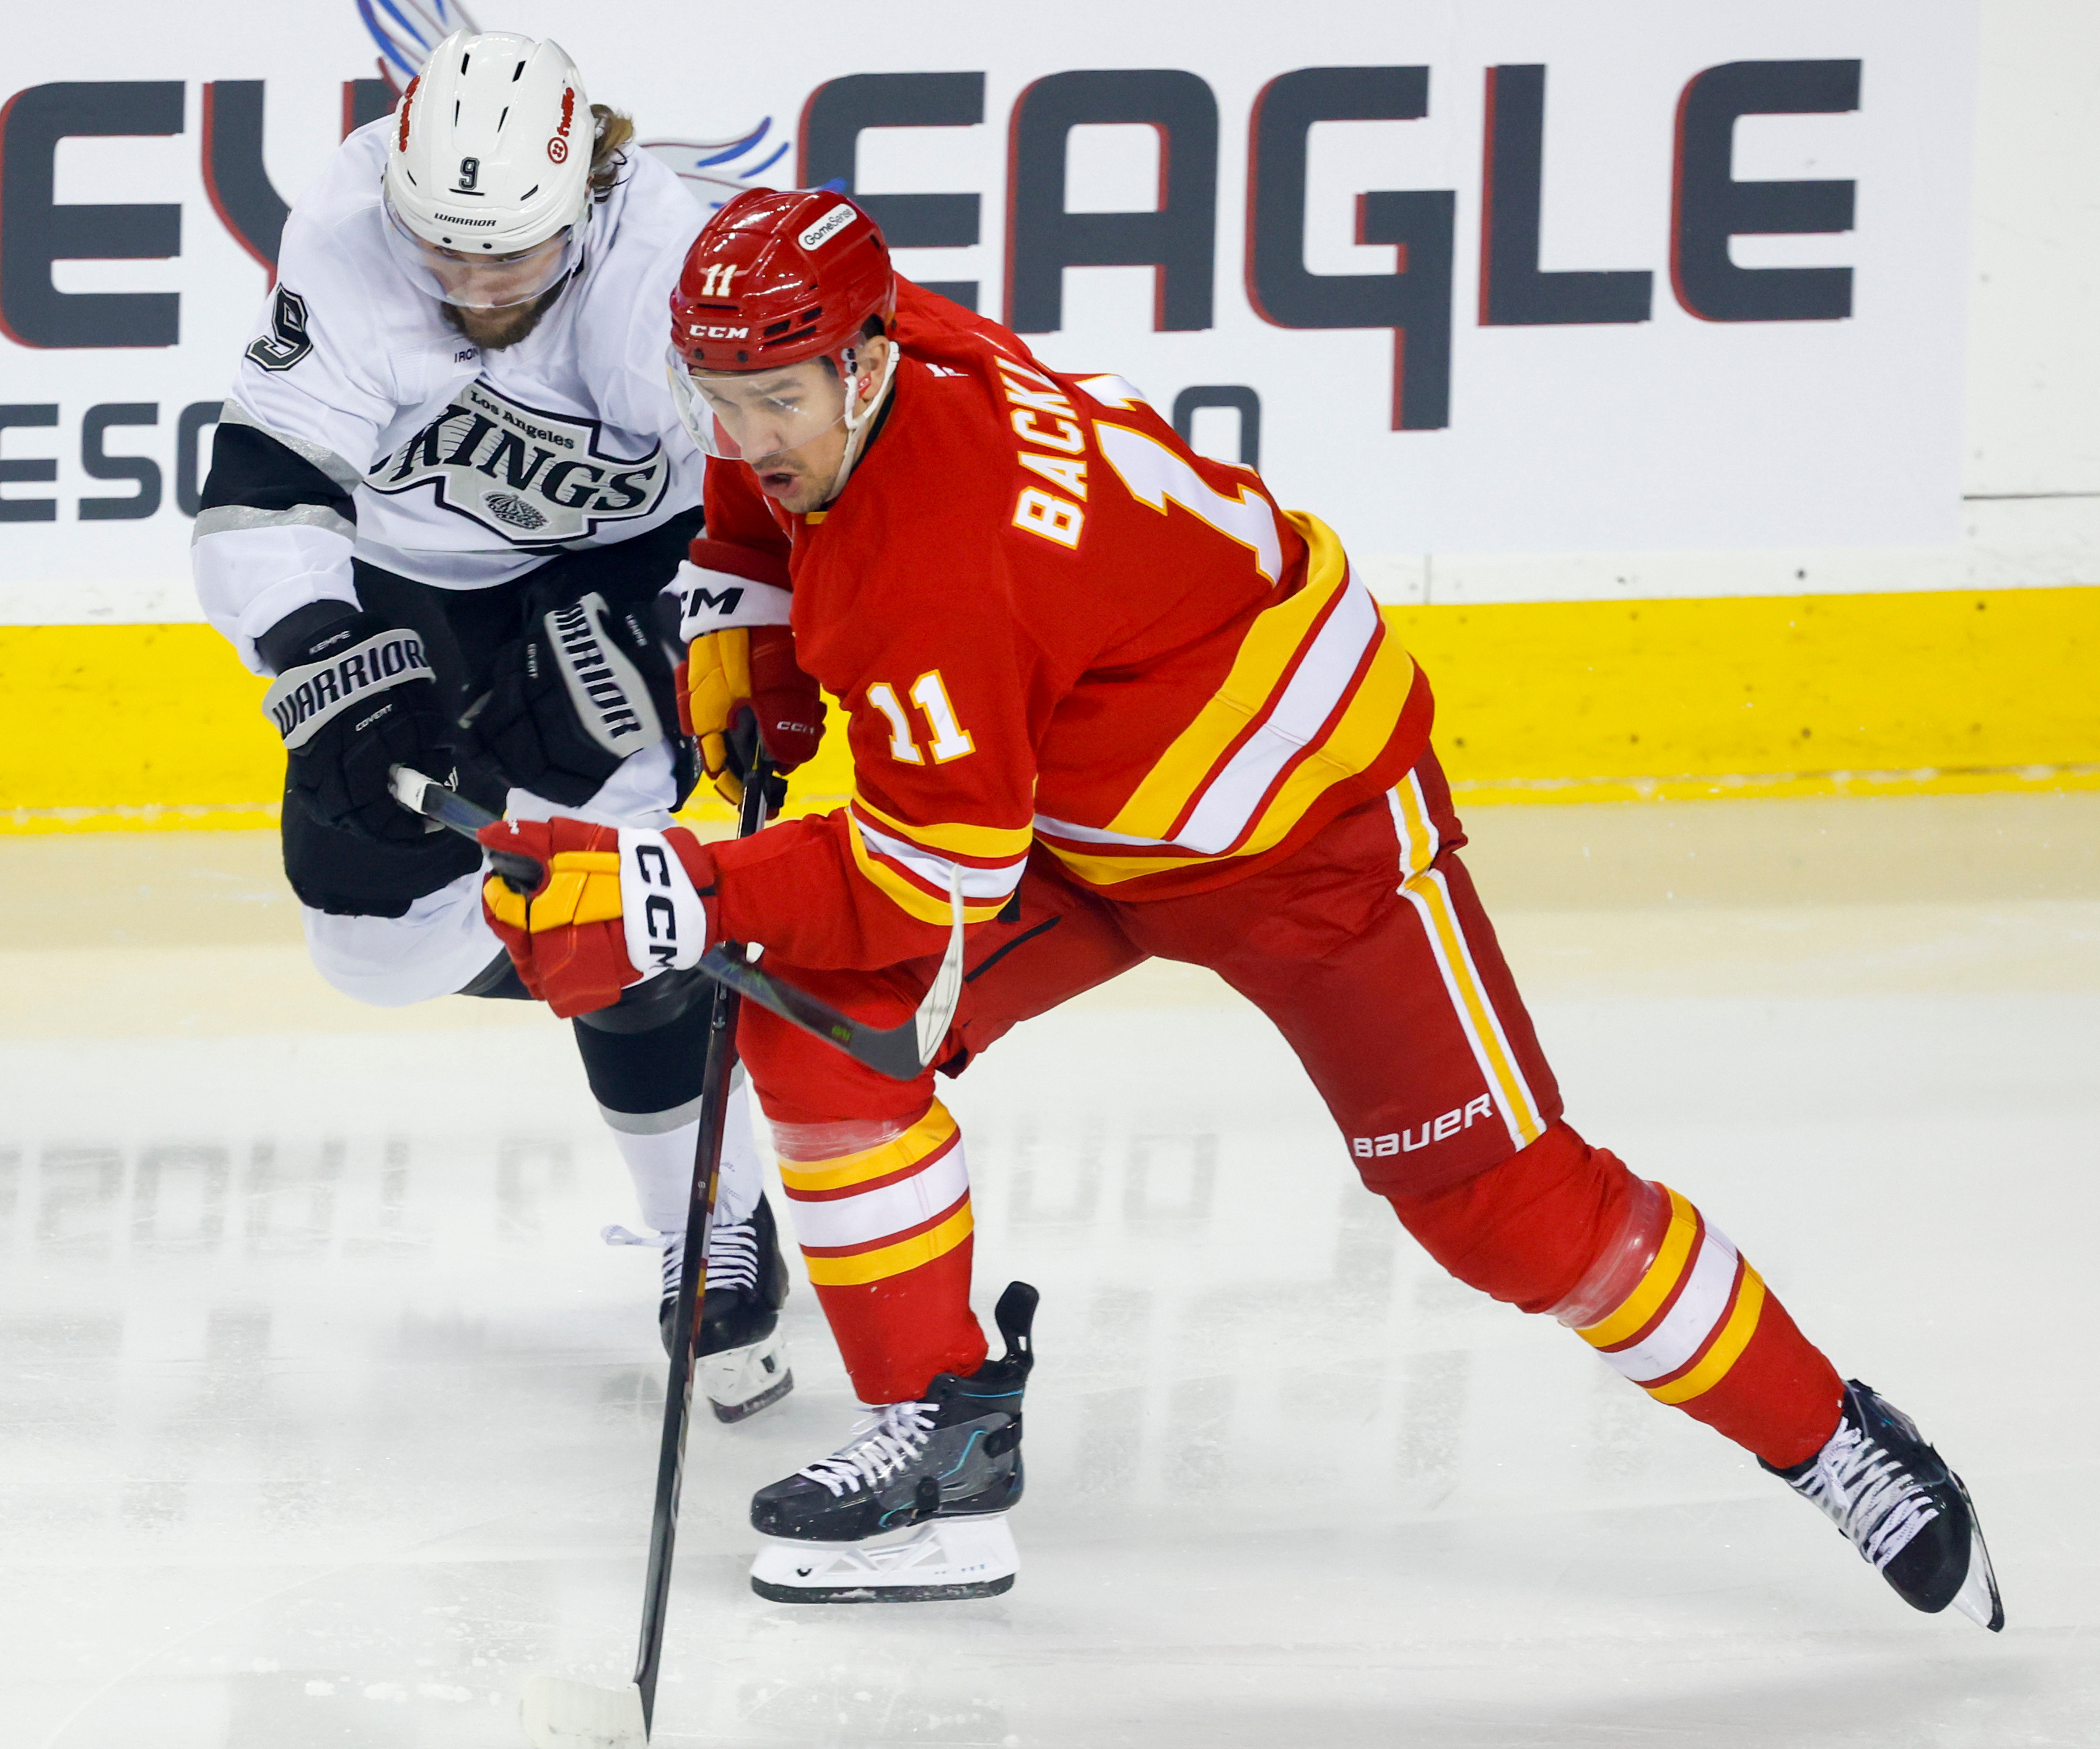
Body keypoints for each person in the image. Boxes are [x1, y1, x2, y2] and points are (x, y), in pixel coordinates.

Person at [469, 185, 2007, 1623]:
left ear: (864, 365)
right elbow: (770, 499)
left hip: (1300, 838)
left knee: (1505, 1212)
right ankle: (943, 1460)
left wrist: (680, 887)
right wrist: (743, 615)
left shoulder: (946, 566)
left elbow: (917, 882)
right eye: (714, 397)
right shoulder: (878, 352)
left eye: (774, 401)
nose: (745, 431)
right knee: (825, 1039)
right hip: (1070, 803)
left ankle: (1825, 1437)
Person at [189, 31, 790, 1421]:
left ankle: (704, 1223)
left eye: (505, 258)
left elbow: (792, 490)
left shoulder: (667, 269)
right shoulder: (347, 226)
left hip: (634, 578)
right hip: (422, 582)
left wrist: (701, 638)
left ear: (585, 197)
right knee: (367, 945)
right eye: (439, 251)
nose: (466, 286)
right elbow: (263, 488)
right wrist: (334, 661)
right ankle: (674, 957)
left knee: (594, 896)